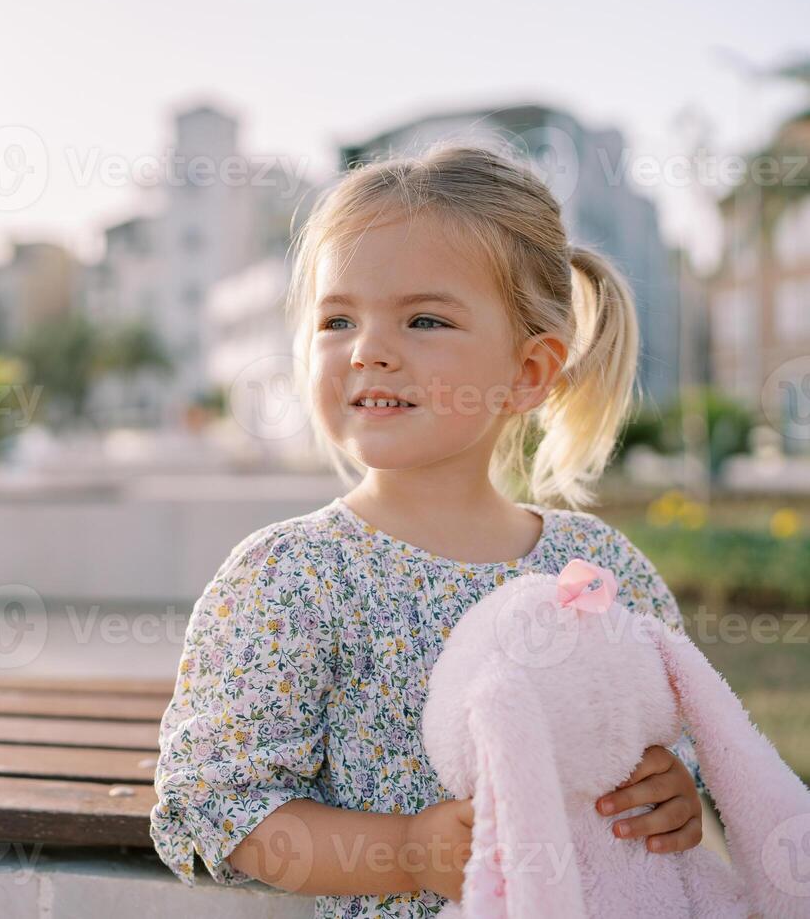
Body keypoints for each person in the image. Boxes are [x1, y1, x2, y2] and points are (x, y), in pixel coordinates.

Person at [148, 143, 708, 917]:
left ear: (530, 372)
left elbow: (676, 736)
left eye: (424, 319)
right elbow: (218, 811)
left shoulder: (601, 566)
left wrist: (673, 787)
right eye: (337, 318)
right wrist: (405, 851)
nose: (369, 350)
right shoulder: (294, 575)